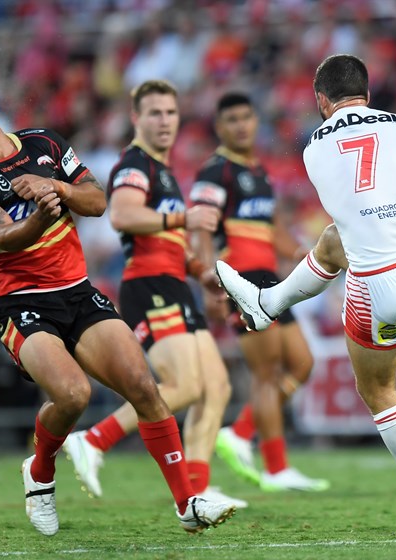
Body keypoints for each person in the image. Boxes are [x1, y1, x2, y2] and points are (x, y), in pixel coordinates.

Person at [215, 54, 396, 536]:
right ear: (368, 94)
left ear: (320, 100)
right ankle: (267, 304)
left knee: (376, 389)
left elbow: (367, 206)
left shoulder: (314, 148)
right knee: (333, 241)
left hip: (380, 286)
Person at [0, 78, 235, 536]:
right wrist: (41, 210)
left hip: (77, 290)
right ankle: (40, 472)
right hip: (21, 305)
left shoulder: (44, 143)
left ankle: (187, 503)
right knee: (73, 394)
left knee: (144, 388)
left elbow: (97, 200)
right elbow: (2, 237)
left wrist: (54, 186)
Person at [62, 79, 246, 508]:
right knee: (182, 385)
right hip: (149, 287)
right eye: (155, 113)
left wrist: (201, 271)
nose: (164, 121)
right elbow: (122, 214)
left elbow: (167, 238)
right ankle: (92, 439)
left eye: (170, 112)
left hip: (174, 283)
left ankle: (197, 491)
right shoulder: (134, 163)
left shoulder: (161, 169)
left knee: (216, 386)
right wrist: (184, 216)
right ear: (136, 118)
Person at [190, 92, 327, 491]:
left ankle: (240, 432)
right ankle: (276, 468)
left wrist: (301, 251)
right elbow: (199, 229)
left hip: (271, 280)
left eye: (246, 117)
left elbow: (271, 229)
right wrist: (210, 282)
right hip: (242, 281)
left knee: (301, 364)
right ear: (220, 127)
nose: (241, 126)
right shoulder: (216, 172)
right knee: (266, 375)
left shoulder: (258, 171)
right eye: (231, 119)